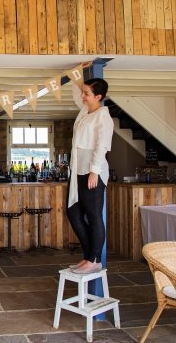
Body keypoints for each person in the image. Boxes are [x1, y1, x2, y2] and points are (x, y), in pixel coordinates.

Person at [67, 78, 114, 274]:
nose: (82, 96)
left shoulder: (103, 116)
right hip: (78, 169)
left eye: (86, 93)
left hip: (92, 172)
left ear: (98, 97)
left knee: (94, 216)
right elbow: (77, 94)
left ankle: (94, 259)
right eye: (83, 92)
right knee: (73, 212)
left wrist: (94, 171)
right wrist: (75, 76)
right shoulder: (85, 111)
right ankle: (88, 256)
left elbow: (101, 145)